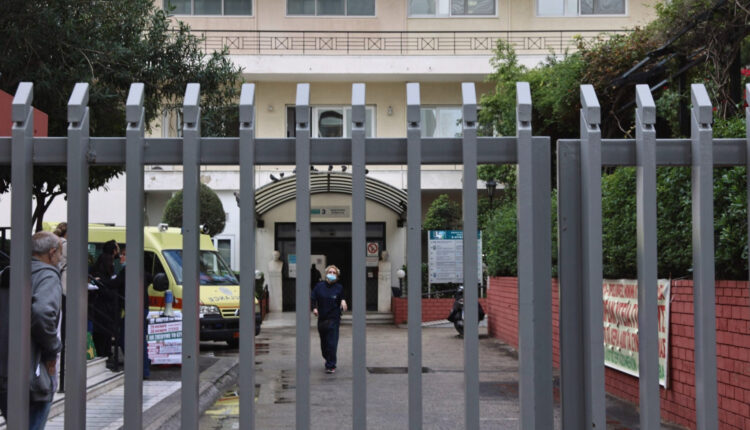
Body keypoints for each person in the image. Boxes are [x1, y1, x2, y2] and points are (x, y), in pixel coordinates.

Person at [0, 231, 63, 429]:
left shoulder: (8, 273)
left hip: (6, 370)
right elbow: (42, 312)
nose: (61, 258)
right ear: (52, 252)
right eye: (60, 253)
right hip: (34, 370)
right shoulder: (47, 275)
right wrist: (52, 348)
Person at [311, 265, 347, 374]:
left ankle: (331, 365)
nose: (332, 274)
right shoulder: (319, 286)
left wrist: (343, 301)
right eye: (330, 272)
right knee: (324, 345)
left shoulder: (339, 288)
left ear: (337, 276)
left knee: (332, 343)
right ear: (326, 274)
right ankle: (328, 358)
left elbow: (342, 298)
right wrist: (314, 308)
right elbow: (313, 298)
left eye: (334, 273)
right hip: (322, 319)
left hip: (334, 319)